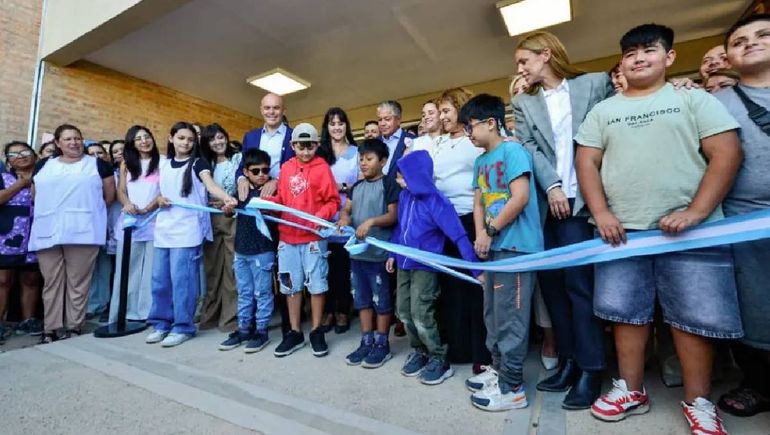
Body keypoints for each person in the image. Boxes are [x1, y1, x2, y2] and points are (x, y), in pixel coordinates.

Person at [575, 24, 742, 434]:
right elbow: (586, 163)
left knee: (692, 318)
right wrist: (602, 214)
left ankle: (698, 401)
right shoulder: (603, 110)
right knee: (625, 314)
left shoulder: (693, 98)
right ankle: (630, 390)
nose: (638, 59)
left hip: (693, 232)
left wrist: (697, 212)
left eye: (648, 51)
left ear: (668, 57)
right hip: (621, 233)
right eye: (630, 53)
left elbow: (726, 152)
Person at [512, 30, 614, 409]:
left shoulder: (594, 84)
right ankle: (569, 362)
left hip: (584, 202)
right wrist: (552, 184)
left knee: (579, 287)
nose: (520, 69)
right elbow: (527, 147)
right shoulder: (524, 102)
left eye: (524, 60)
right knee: (553, 287)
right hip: (548, 202)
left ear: (547, 55)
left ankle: (592, 368)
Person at [461, 93, 543, 412]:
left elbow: (519, 197)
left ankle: (512, 388)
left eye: (471, 126)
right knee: (493, 314)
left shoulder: (513, 151)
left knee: (512, 317)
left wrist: (491, 231)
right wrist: (481, 233)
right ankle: (497, 371)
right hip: (494, 247)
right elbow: (479, 201)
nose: (468, 133)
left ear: (491, 123)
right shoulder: (481, 161)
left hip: (516, 248)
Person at [714, 13, 770, 418]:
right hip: (743, 221)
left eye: (763, 35)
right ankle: (759, 385)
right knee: (753, 307)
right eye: (740, 40)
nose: (751, 42)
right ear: (729, 59)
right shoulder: (715, 104)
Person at [386, 150, 480, 386]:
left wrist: (477, 270)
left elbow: (459, 236)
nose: (398, 180)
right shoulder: (406, 197)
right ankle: (419, 351)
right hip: (403, 264)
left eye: (402, 176)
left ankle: (439, 357)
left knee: (421, 312)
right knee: (404, 311)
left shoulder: (437, 202)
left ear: (416, 175)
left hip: (425, 268)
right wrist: (391, 253)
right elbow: (399, 229)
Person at [145, 122, 236, 348]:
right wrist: (157, 201)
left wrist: (226, 197)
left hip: (187, 232)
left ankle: (183, 326)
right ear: (171, 138)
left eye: (190, 139)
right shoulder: (163, 164)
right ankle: (161, 323)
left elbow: (211, 185)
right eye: (181, 138)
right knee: (160, 281)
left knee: (182, 281)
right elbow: (157, 193)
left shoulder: (198, 163)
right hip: (164, 231)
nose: (185, 142)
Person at [29, 124, 116, 343]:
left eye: (77, 138)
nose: (73, 142)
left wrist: (85, 213)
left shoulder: (97, 164)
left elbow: (109, 197)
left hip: (83, 231)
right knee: (52, 282)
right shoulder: (43, 165)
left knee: (78, 282)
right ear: (57, 143)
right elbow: (34, 194)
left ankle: (74, 325)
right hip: (48, 230)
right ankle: (51, 327)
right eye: (67, 139)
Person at [430, 87, 490, 373]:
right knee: (451, 289)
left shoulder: (475, 140)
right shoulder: (439, 143)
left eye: (446, 111)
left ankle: (482, 352)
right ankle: (459, 347)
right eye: (440, 112)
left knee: (476, 289)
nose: (442, 117)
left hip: (470, 220)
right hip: (444, 224)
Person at [269, 123, 340, 358]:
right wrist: (269, 204)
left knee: (317, 284)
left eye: (310, 146)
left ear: (317, 145)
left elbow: (333, 201)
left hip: (313, 238)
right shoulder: (286, 168)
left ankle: (317, 330)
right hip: (288, 236)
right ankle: (295, 331)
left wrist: (319, 217)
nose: (306, 151)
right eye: (301, 146)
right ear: (292, 145)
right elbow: (282, 197)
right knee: (290, 285)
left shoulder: (323, 168)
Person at [337, 139, 399, 368]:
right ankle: (366, 340)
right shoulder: (356, 186)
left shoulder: (389, 184)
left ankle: (382, 344)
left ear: (382, 161)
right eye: (361, 159)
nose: (363, 163)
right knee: (361, 299)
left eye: (369, 159)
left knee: (381, 300)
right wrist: (344, 218)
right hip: (357, 255)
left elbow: (393, 216)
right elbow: (347, 209)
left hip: (379, 255)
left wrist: (371, 221)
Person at [218, 149, 278, 353]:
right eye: (256, 171)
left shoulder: (272, 194)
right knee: (244, 292)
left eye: (265, 170)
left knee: (262, 292)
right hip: (241, 250)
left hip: (263, 251)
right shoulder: (240, 192)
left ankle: (261, 330)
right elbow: (229, 213)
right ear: (246, 172)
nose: (262, 174)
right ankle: (244, 328)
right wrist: (227, 209)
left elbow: (281, 212)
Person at [108, 125, 160, 323]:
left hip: (154, 221)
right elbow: (121, 190)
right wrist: (128, 204)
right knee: (128, 268)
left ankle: (147, 312)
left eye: (147, 137)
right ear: (132, 143)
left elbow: (163, 191)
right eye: (138, 139)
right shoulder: (126, 164)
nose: (144, 141)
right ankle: (126, 311)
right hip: (131, 222)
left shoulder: (161, 162)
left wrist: (147, 208)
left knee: (151, 271)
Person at [318, 107, 359, 334]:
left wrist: (339, 187)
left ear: (346, 126)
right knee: (325, 267)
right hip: (323, 218)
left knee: (343, 268)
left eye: (340, 123)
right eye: (332, 123)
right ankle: (329, 311)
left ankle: (343, 310)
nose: (336, 127)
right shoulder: (320, 153)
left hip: (347, 214)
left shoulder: (356, 152)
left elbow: (362, 182)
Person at [199, 123, 241, 332]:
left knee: (232, 270)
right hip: (210, 219)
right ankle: (210, 315)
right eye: (212, 139)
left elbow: (244, 185)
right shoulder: (205, 164)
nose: (218, 142)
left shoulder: (238, 159)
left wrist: (231, 201)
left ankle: (230, 319)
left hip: (234, 217)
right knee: (213, 269)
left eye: (220, 137)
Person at [0, 141, 42, 339]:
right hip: (6, 236)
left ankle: (28, 320)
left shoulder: (44, 177)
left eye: (25, 151)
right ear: (8, 161)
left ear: (34, 154)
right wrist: (20, 184)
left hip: (35, 235)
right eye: (13, 154)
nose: (21, 156)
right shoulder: (3, 177)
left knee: (31, 278)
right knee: (3, 280)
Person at [239, 93, 295, 199]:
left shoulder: (294, 136)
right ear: (261, 110)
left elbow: (301, 168)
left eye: (276, 108)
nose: (271, 112)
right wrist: (242, 179)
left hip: (285, 197)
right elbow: (242, 166)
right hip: (255, 197)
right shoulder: (250, 136)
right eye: (267, 108)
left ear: (284, 111)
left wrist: (278, 180)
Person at [377, 100, 414, 178]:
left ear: (398, 119)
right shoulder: (375, 142)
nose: (382, 124)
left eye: (387, 119)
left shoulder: (413, 140)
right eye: (380, 120)